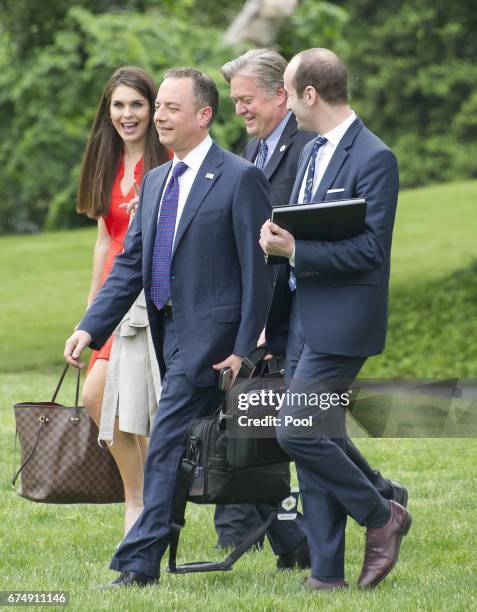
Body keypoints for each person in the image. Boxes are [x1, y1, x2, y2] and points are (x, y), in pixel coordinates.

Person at [64, 67, 305, 588]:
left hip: (215, 344)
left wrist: (244, 346)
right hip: (168, 336)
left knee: (168, 440)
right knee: (237, 444)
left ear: (203, 115)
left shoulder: (240, 177)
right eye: (162, 108)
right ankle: (298, 542)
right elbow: (130, 266)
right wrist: (91, 328)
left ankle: (139, 563)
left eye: (172, 108)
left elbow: (261, 268)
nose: (161, 117)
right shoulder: (156, 182)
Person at [216, 48, 408, 559]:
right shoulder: (310, 151)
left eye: (289, 91)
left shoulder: (375, 157)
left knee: (296, 429)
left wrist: (294, 249)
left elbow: (371, 250)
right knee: (316, 433)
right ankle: (325, 570)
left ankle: (382, 512)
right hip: (298, 318)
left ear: (308, 94)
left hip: (341, 320)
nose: (286, 106)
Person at [76, 66, 169, 536]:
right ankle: (148, 498)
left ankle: (147, 502)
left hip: (150, 302)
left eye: (137, 104)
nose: (127, 114)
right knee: (100, 399)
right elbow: (103, 242)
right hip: (114, 303)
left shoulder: (168, 161)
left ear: (153, 108)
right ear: (107, 111)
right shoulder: (105, 160)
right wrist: (90, 316)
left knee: (135, 406)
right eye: (118, 105)